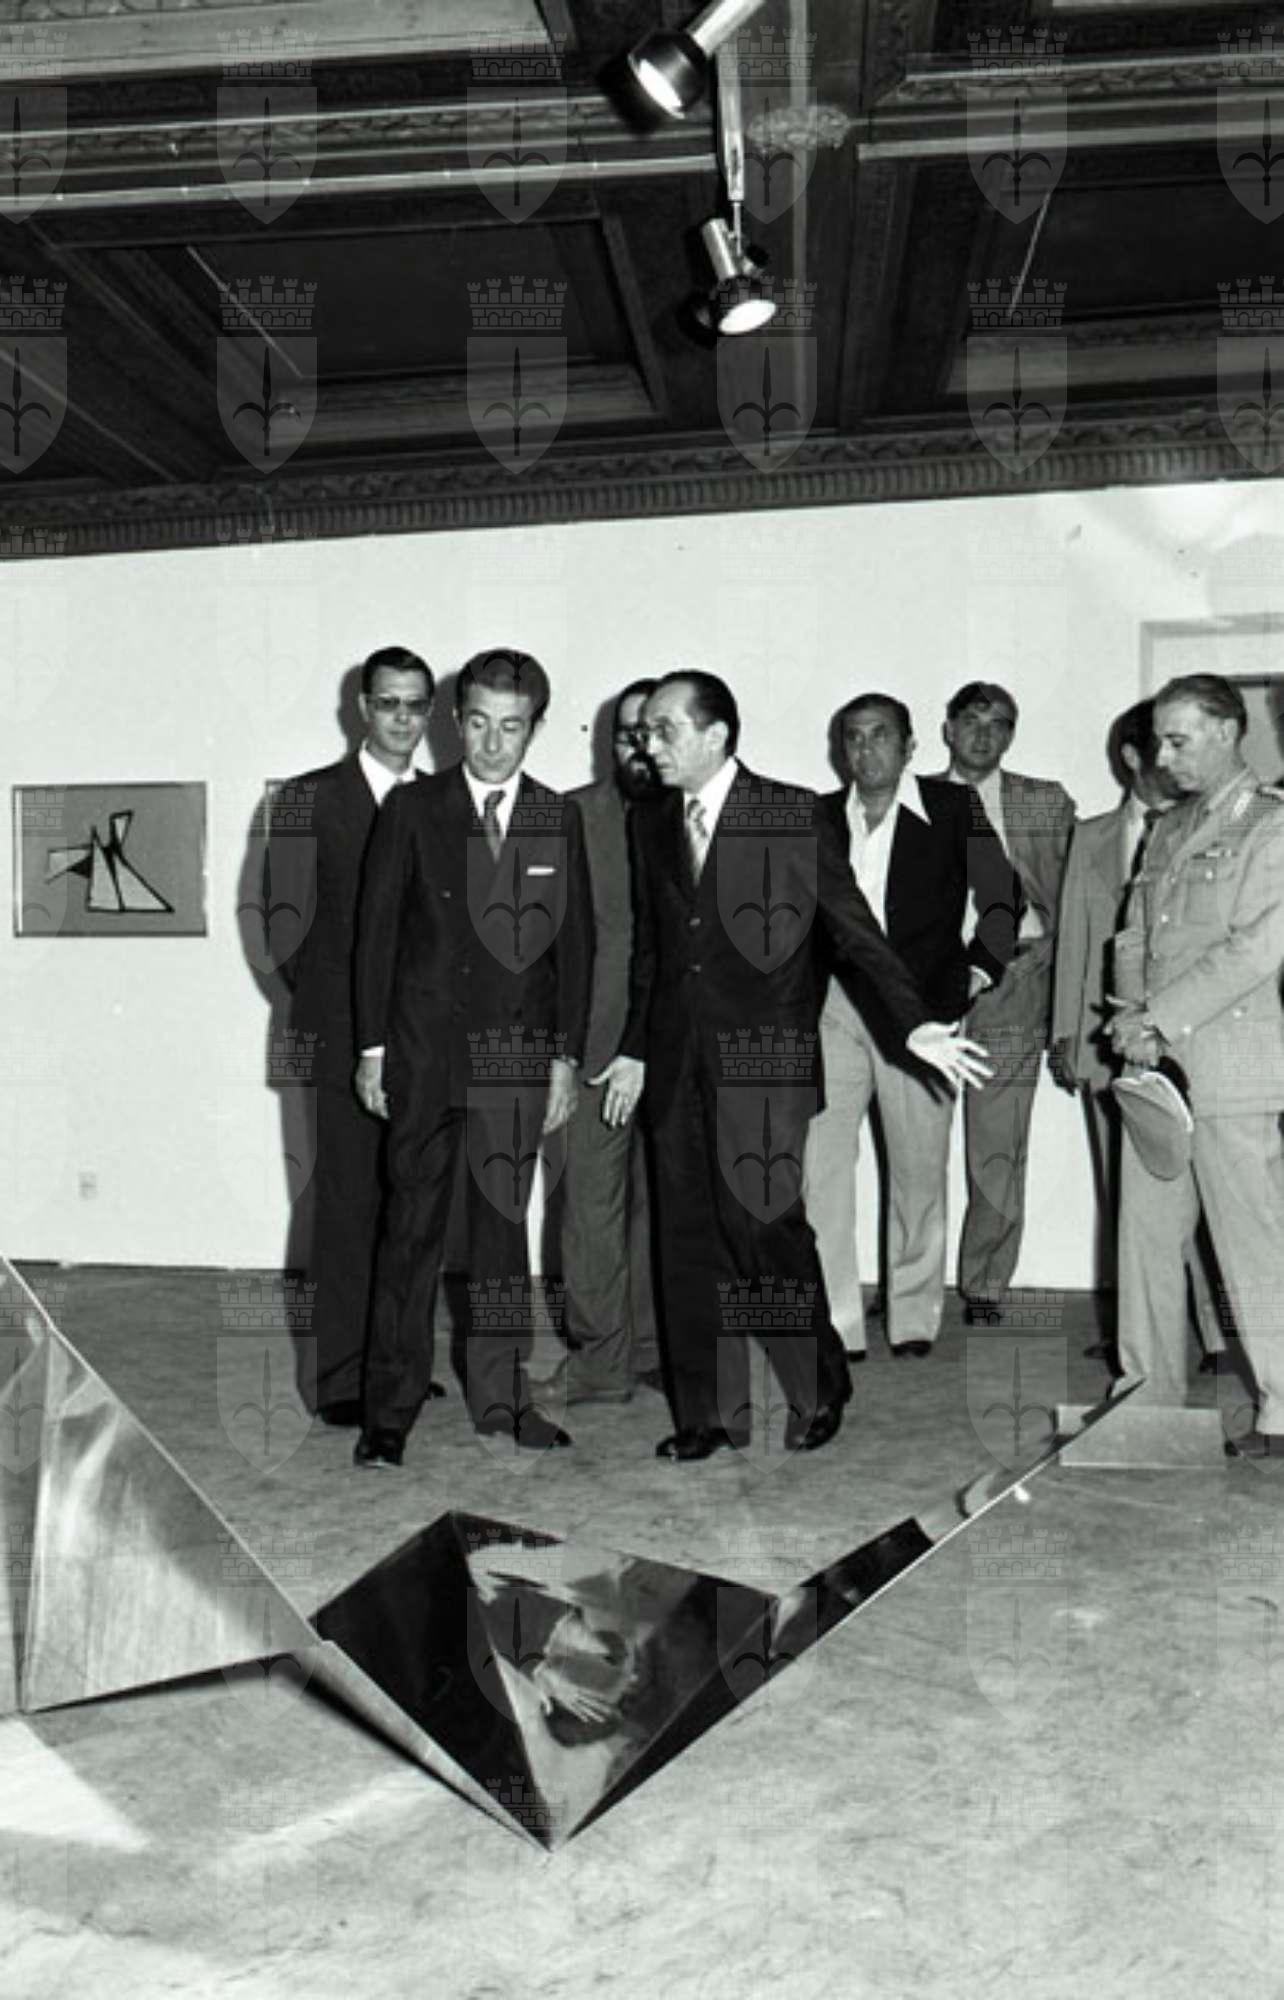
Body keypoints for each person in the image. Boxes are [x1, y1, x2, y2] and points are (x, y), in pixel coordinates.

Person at [593, 671, 991, 1464]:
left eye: (666, 729)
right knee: (685, 1238)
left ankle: (819, 1386)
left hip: (765, 1068)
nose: (648, 743)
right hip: (675, 1065)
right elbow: (653, 954)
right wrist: (635, 1047)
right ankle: (707, 1414)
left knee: (765, 1230)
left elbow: (853, 928)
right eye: (645, 730)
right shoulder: (650, 819)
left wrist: (913, 1023)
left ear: (716, 736)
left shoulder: (790, 813)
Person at [351, 648, 592, 1467]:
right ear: (457, 721)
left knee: (500, 1241)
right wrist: (373, 1049)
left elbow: (575, 949)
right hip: (423, 1057)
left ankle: (501, 1400)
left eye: (511, 727)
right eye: (480, 723)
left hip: (514, 1064)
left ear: (535, 728)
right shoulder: (413, 808)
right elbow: (376, 937)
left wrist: (564, 1059)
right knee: (410, 1236)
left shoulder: (557, 818)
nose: (493, 743)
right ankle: (388, 1413)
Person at [804, 693, 1019, 1361]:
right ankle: (836, 1322)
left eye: (880, 736)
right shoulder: (816, 816)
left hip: (923, 1013)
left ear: (909, 747)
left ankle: (913, 1318)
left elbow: (1002, 899)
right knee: (821, 1167)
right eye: (853, 737)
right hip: (835, 1008)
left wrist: (978, 972)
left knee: (919, 1170)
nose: (865, 749)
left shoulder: (953, 809)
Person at [1109, 673, 1284, 1459]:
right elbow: (1134, 936)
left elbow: (1255, 949)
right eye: (1159, 742)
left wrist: (1159, 1017)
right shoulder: (1168, 827)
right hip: (1155, 1069)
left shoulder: (1271, 827)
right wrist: (1129, 1016)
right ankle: (1143, 1399)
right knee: (1145, 1241)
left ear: (1228, 731)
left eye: (1179, 741)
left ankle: (1283, 1405)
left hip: (1231, 1065)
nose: (1163, 758)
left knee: (1253, 1245)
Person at [268, 645, 434, 1424]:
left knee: (414, 1210)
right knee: (345, 1206)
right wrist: (352, 1019)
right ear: (362, 708)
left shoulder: (441, 803)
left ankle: (395, 1365)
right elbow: (286, 931)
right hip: (339, 1039)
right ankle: (340, 1378)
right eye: (389, 703)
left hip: (426, 1043)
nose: (403, 718)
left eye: (416, 705)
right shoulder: (309, 799)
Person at [1050, 699, 1224, 1366]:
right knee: (1122, 1192)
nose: (1173, 759)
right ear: (1131, 756)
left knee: (1200, 1189)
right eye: (1161, 745)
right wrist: (1067, 1033)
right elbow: (1074, 939)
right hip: (1109, 1041)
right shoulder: (1092, 837)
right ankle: (1136, 1332)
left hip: (1191, 1038)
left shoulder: (1204, 827)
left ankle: (1214, 1332)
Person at [936, 681, 1075, 1324]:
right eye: (971, 720)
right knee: (913, 1142)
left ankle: (984, 1283)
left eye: (1000, 724)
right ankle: (909, 1289)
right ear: (948, 729)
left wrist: (1064, 988)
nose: (983, 734)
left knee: (997, 1141)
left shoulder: (1044, 802)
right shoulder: (911, 799)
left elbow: (1080, 897)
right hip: (926, 983)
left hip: (1014, 981)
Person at [547, 680, 662, 1405]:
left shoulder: (700, 814)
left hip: (674, 1048)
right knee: (592, 1208)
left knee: (665, 1207)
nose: (640, 747)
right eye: (627, 733)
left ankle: (650, 1349)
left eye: (655, 731)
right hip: (594, 1047)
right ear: (607, 742)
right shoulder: (573, 816)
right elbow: (548, 939)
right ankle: (598, 1360)